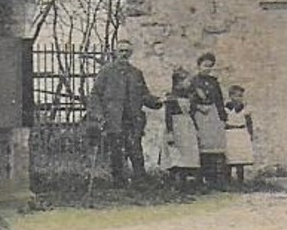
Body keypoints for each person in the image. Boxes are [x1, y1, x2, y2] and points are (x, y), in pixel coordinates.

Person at [86, 38, 162, 187]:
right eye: (121, 51)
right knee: (116, 151)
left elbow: (143, 94)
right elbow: (95, 95)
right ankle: (118, 181)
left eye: (127, 51)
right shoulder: (106, 72)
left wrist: (156, 101)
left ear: (131, 53)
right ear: (115, 52)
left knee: (135, 150)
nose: (124, 54)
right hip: (113, 118)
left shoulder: (136, 73)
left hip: (133, 119)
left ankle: (140, 180)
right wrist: (99, 115)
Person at [190, 51, 228, 189]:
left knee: (215, 147)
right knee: (202, 147)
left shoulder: (214, 82)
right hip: (200, 115)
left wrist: (222, 116)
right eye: (205, 65)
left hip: (212, 115)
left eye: (210, 66)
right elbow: (189, 100)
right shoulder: (193, 82)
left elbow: (219, 99)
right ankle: (201, 179)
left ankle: (215, 179)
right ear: (199, 65)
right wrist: (198, 107)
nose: (207, 68)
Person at [161, 68, 202, 193]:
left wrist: (196, 129)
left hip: (187, 127)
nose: (189, 84)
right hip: (176, 127)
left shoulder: (190, 97)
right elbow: (168, 117)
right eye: (186, 81)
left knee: (187, 154)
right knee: (175, 155)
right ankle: (174, 183)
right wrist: (169, 133)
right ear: (178, 82)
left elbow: (193, 113)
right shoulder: (171, 98)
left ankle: (184, 183)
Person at [224, 84, 255, 188]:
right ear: (231, 96)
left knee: (240, 159)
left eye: (241, 96)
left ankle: (240, 182)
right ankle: (228, 182)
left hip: (241, 133)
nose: (239, 98)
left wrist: (250, 134)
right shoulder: (226, 108)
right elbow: (223, 121)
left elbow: (249, 122)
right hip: (229, 133)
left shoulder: (245, 109)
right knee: (229, 158)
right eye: (236, 96)